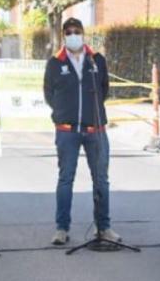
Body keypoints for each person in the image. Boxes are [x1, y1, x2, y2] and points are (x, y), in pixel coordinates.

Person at [43, 17, 116, 246]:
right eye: (69, 32)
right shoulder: (55, 63)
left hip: (95, 129)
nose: (73, 35)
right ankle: (62, 229)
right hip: (67, 131)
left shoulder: (97, 60)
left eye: (77, 31)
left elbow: (103, 90)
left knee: (101, 180)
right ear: (64, 35)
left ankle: (103, 227)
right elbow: (49, 94)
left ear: (83, 34)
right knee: (66, 179)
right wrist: (65, 111)